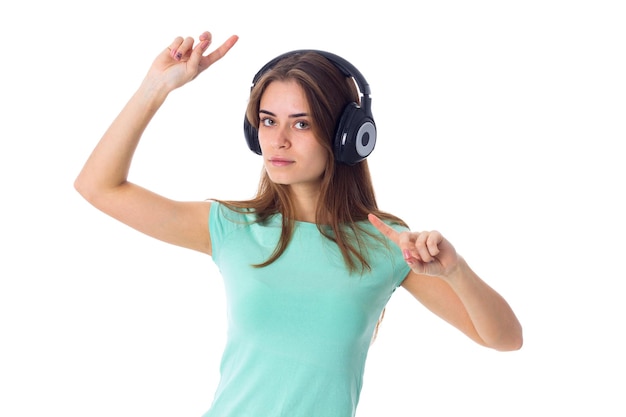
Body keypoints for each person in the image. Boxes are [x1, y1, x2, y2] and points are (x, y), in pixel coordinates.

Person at [74, 30, 522, 417]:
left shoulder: (385, 243)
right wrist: (156, 87)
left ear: (348, 135)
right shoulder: (230, 226)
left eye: (302, 123)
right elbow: (98, 187)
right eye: (267, 121)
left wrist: (456, 271)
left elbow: (504, 339)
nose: (278, 140)